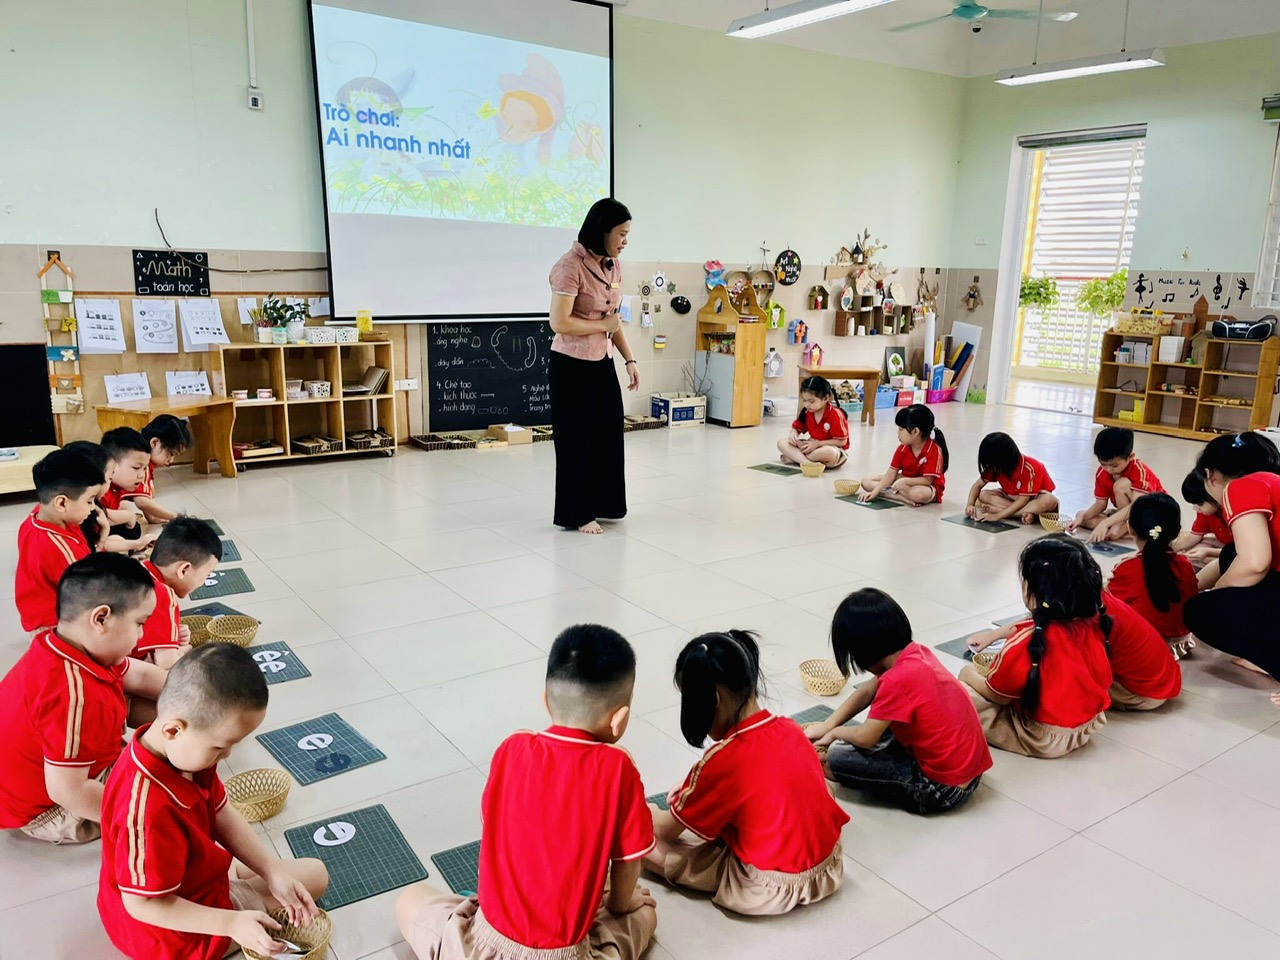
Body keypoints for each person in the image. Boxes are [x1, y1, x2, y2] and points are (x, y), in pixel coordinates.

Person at [396, 624, 657, 960]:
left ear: (545, 701)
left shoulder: (511, 748)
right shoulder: (619, 769)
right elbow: (627, 868)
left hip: (480, 944)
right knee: (644, 913)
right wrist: (623, 904)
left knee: (409, 899)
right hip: (564, 954)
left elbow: (492, 830)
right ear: (619, 719)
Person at [98, 644, 328, 960]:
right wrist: (231, 923)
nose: (227, 755)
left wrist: (271, 870)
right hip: (168, 933)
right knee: (315, 875)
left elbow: (220, 811)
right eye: (221, 747)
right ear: (173, 729)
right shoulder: (147, 809)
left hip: (187, 881)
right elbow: (143, 904)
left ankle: (238, 883)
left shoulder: (179, 751)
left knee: (285, 875)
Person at [645, 630, 846, 913]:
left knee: (644, 842)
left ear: (714, 699)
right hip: (828, 867)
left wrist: (647, 810)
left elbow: (664, 831)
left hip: (768, 887)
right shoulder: (791, 728)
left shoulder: (723, 760)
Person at [0, 554, 164, 843]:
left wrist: (194, 697)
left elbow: (139, 676)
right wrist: (139, 815)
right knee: (164, 775)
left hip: (48, 772)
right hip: (52, 809)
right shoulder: (72, 696)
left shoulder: (64, 644)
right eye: (140, 623)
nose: (142, 634)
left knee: (156, 708)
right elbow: (68, 792)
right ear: (101, 618)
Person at [808, 589, 990, 814]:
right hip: (969, 772)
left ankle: (837, 766)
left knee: (836, 758)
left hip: (941, 789)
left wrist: (834, 733)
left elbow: (865, 738)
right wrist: (827, 725)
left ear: (864, 651)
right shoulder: (915, 653)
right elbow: (868, 691)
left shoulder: (896, 680)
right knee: (883, 725)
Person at [970, 540, 1181, 712]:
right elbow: (1039, 621)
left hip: (1142, 692)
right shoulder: (1084, 601)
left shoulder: (1081, 619)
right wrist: (993, 636)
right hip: (1162, 680)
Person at [960, 537, 1112, 758]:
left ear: (1028, 589)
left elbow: (997, 695)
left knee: (958, 693)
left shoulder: (1027, 642)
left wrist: (967, 674)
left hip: (1043, 737)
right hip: (1086, 726)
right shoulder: (1091, 625)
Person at [548, 199, 639, 535]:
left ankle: (605, 504)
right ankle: (579, 513)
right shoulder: (570, 266)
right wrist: (602, 326)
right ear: (602, 231)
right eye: (621, 233)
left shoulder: (612, 266)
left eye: (627, 234)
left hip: (602, 361)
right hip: (571, 365)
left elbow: (613, 321)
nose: (625, 241)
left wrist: (630, 359)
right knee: (576, 440)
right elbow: (559, 322)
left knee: (608, 435)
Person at [1182, 432, 1280, 699]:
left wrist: (1218, 592)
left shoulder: (1240, 488)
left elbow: (1255, 563)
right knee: (1229, 555)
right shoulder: (1270, 481)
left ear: (1211, 476)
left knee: (1200, 612)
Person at [16, 448, 103, 633]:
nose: (92, 508)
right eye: (89, 501)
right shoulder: (60, 548)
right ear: (62, 503)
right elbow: (91, 590)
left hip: (38, 614)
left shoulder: (37, 518)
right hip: (55, 624)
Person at [1106, 493, 1199, 658]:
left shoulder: (1127, 568)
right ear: (1177, 531)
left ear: (1130, 528)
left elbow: (1106, 604)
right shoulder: (1185, 564)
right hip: (1181, 640)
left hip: (1144, 645)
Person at [137, 517, 223, 669]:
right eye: (206, 575)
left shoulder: (137, 568)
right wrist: (184, 651)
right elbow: (166, 664)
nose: (203, 583)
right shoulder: (162, 594)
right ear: (184, 570)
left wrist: (171, 636)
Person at [1066, 426, 1164, 543]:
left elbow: (1137, 506)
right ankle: (1127, 528)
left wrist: (1105, 523)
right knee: (1081, 515)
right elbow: (1100, 504)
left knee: (1121, 484)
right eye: (1103, 464)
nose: (1108, 469)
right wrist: (1081, 518)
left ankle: (1123, 527)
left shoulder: (1139, 470)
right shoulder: (1102, 473)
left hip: (1152, 514)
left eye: (1114, 465)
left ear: (1130, 457)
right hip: (1128, 515)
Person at [856, 404, 949, 505]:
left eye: (901, 429)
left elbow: (927, 480)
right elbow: (890, 474)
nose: (898, 433)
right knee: (866, 481)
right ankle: (901, 497)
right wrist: (874, 492)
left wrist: (905, 482)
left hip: (926, 486)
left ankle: (897, 494)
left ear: (915, 431)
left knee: (918, 494)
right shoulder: (903, 448)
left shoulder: (934, 450)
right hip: (905, 481)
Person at [964, 431, 1059, 524]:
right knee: (983, 495)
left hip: (1033, 499)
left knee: (1049, 501)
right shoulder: (996, 467)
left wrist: (997, 515)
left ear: (1003, 461)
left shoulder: (1029, 468)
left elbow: (1023, 500)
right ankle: (1027, 514)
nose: (990, 468)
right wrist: (969, 505)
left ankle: (1007, 512)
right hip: (1012, 497)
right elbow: (977, 486)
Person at [128, 414, 193, 525]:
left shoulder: (138, 452)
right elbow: (142, 501)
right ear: (154, 443)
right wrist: (175, 517)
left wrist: (151, 518)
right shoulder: (142, 464)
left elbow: (143, 496)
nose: (171, 460)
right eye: (171, 453)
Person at [778, 375, 849, 469]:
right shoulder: (807, 412)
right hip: (811, 447)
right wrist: (793, 433)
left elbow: (842, 441)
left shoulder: (835, 414)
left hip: (830, 448)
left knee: (830, 452)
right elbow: (796, 428)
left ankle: (797, 459)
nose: (807, 405)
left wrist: (817, 444)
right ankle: (808, 463)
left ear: (826, 398)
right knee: (782, 443)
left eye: (811, 401)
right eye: (804, 400)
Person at [99, 427, 155, 544]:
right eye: (136, 468)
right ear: (111, 463)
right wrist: (128, 516)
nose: (142, 475)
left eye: (145, 468)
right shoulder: (100, 488)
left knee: (133, 529)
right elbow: (94, 519)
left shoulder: (117, 486)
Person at [1172, 469, 1233, 563]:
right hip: (1227, 545)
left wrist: (1208, 551)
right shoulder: (1206, 513)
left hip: (1242, 549)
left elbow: (1243, 550)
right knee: (1200, 546)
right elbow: (1194, 536)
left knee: (1207, 556)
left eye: (1200, 504)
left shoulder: (1231, 510)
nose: (1196, 509)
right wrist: (1172, 549)